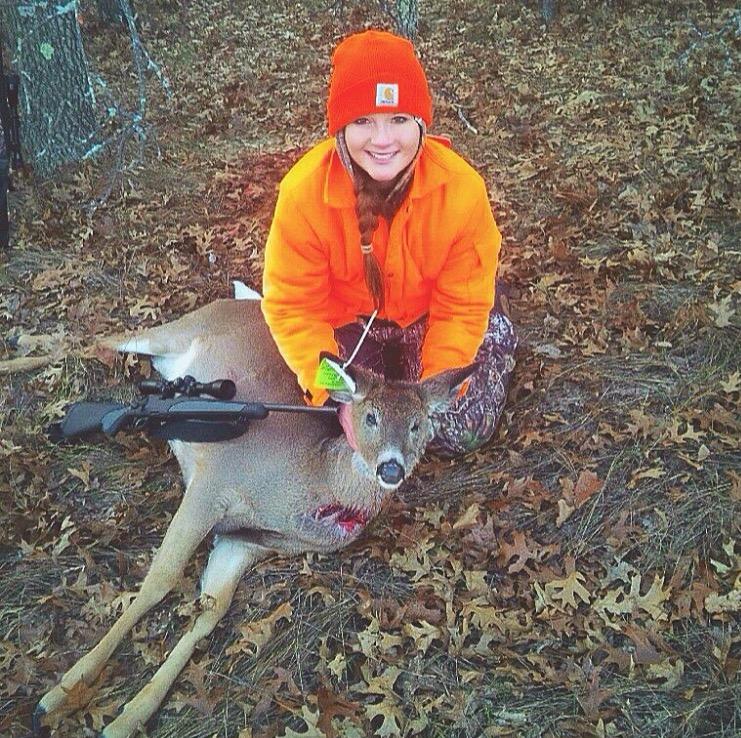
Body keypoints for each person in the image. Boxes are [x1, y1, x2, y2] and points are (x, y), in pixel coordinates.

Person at [262, 29, 517, 457]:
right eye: (363, 121)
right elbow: (293, 307)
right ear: (340, 129)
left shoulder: (461, 190)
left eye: (399, 119)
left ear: (420, 124)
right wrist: (333, 394)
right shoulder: (303, 194)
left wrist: (429, 397)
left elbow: (458, 310)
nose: (382, 141)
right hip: (353, 328)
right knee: (325, 422)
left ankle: (499, 323)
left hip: (431, 317)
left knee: (457, 431)